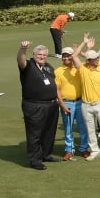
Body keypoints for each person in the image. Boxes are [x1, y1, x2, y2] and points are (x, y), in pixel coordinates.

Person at [17, 41, 62, 169]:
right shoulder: (28, 65)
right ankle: (35, 160)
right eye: (39, 54)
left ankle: (45, 154)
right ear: (34, 54)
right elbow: (21, 60)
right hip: (34, 105)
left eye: (44, 55)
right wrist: (22, 49)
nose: (42, 57)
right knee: (34, 133)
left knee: (49, 132)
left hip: (51, 105)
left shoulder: (48, 66)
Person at [76, 48, 100, 161]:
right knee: (90, 129)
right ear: (88, 60)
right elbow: (74, 57)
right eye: (94, 58)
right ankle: (95, 151)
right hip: (86, 105)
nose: (97, 59)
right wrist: (83, 43)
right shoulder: (83, 69)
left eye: (97, 57)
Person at [54, 43, 88, 161]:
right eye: (64, 56)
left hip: (80, 102)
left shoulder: (79, 68)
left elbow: (82, 59)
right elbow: (57, 89)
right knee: (68, 128)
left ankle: (83, 148)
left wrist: (83, 45)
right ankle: (69, 150)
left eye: (68, 55)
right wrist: (62, 104)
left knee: (82, 127)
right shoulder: (58, 71)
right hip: (66, 103)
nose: (66, 58)